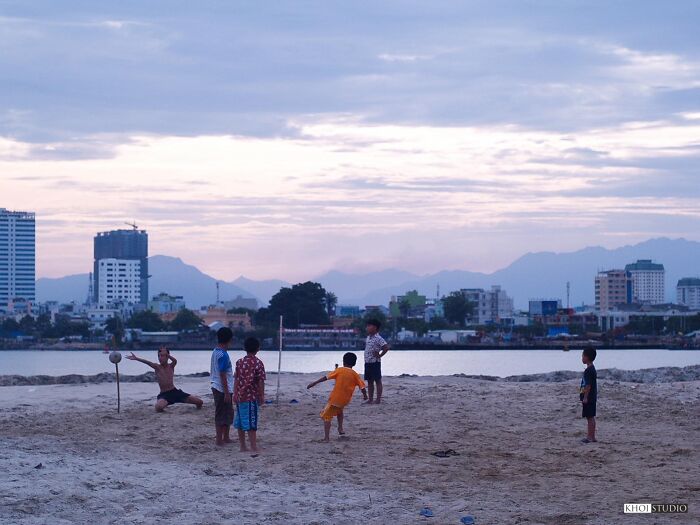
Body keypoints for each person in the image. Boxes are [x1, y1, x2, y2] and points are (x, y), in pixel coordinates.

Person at [307, 352, 368, 442]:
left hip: (335, 398)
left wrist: (314, 383)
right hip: (346, 399)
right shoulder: (355, 374)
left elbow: (326, 377)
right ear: (354, 363)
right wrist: (365, 396)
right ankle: (340, 428)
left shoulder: (339, 370)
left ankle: (326, 438)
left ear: (343, 362)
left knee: (326, 416)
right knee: (339, 410)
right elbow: (362, 387)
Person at [126, 348, 203, 412]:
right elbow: (148, 362)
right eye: (159, 356)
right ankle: (166, 406)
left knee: (200, 402)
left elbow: (175, 361)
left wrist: (167, 354)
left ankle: (197, 409)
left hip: (175, 392)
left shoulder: (171, 366)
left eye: (162, 356)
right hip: (165, 394)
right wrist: (136, 358)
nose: (160, 358)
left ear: (167, 357)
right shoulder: (157, 367)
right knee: (158, 407)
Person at [233, 337, 266, 453]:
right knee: (251, 423)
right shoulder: (258, 363)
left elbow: (236, 378)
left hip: (240, 396)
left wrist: (235, 392)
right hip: (251, 397)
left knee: (241, 421)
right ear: (258, 349)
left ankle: (242, 446)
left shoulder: (239, 362)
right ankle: (253, 447)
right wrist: (262, 396)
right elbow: (261, 381)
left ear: (244, 348)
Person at [210, 327, 235, 446]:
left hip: (219, 386)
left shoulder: (216, 351)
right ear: (229, 340)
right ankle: (220, 439)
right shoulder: (223, 355)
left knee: (227, 412)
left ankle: (226, 437)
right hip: (222, 388)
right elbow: (222, 374)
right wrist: (226, 392)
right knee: (221, 413)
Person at [363, 318, 390, 404]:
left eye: (369, 326)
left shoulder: (378, 338)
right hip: (367, 362)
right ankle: (370, 399)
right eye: (367, 326)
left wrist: (380, 355)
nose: (367, 328)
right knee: (369, 381)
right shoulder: (368, 337)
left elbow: (386, 347)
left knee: (377, 380)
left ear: (375, 327)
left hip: (375, 362)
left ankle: (378, 399)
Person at [580, 346, 598, 443]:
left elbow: (588, 386)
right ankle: (592, 436)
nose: (582, 358)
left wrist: (585, 397)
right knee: (591, 417)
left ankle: (590, 437)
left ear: (587, 357)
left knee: (589, 417)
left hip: (589, 397)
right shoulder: (592, 369)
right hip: (592, 396)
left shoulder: (588, 371)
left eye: (583, 356)